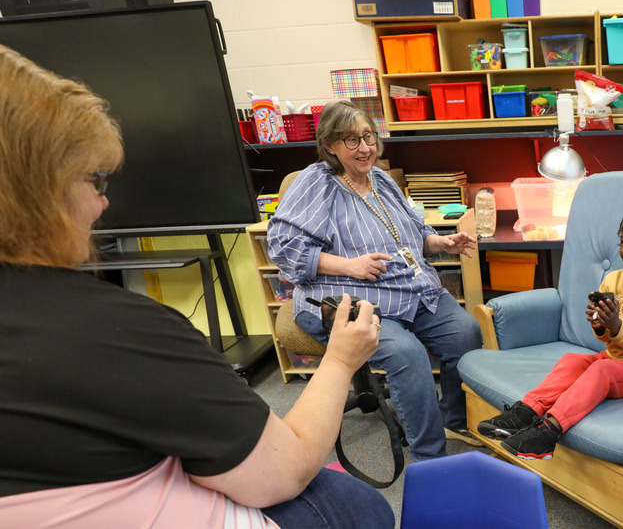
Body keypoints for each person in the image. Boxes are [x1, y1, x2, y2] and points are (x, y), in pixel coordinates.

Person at [0, 45, 394, 528]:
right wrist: (340, 355)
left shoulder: (384, 185)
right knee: (359, 505)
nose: (102, 205)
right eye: (96, 181)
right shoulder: (117, 329)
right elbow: (282, 472)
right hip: (337, 304)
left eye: (369, 138)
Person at [267, 101, 484, 461]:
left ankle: (453, 420)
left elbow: (412, 235)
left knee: (465, 333)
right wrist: (349, 266)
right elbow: (282, 248)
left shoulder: (381, 179)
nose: (365, 147)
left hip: (407, 288)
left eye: (368, 136)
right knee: (407, 355)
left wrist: (440, 243)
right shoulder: (317, 182)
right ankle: (430, 455)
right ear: (331, 145)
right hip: (342, 297)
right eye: (351, 140)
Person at [478, 202, 623, 460]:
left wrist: (617, 326)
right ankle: (526, 411)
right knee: (571, 361)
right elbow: (609, 339)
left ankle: (548, 431)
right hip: (615, 359)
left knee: (601, 369)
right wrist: (601, 327)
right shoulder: (614, 280)